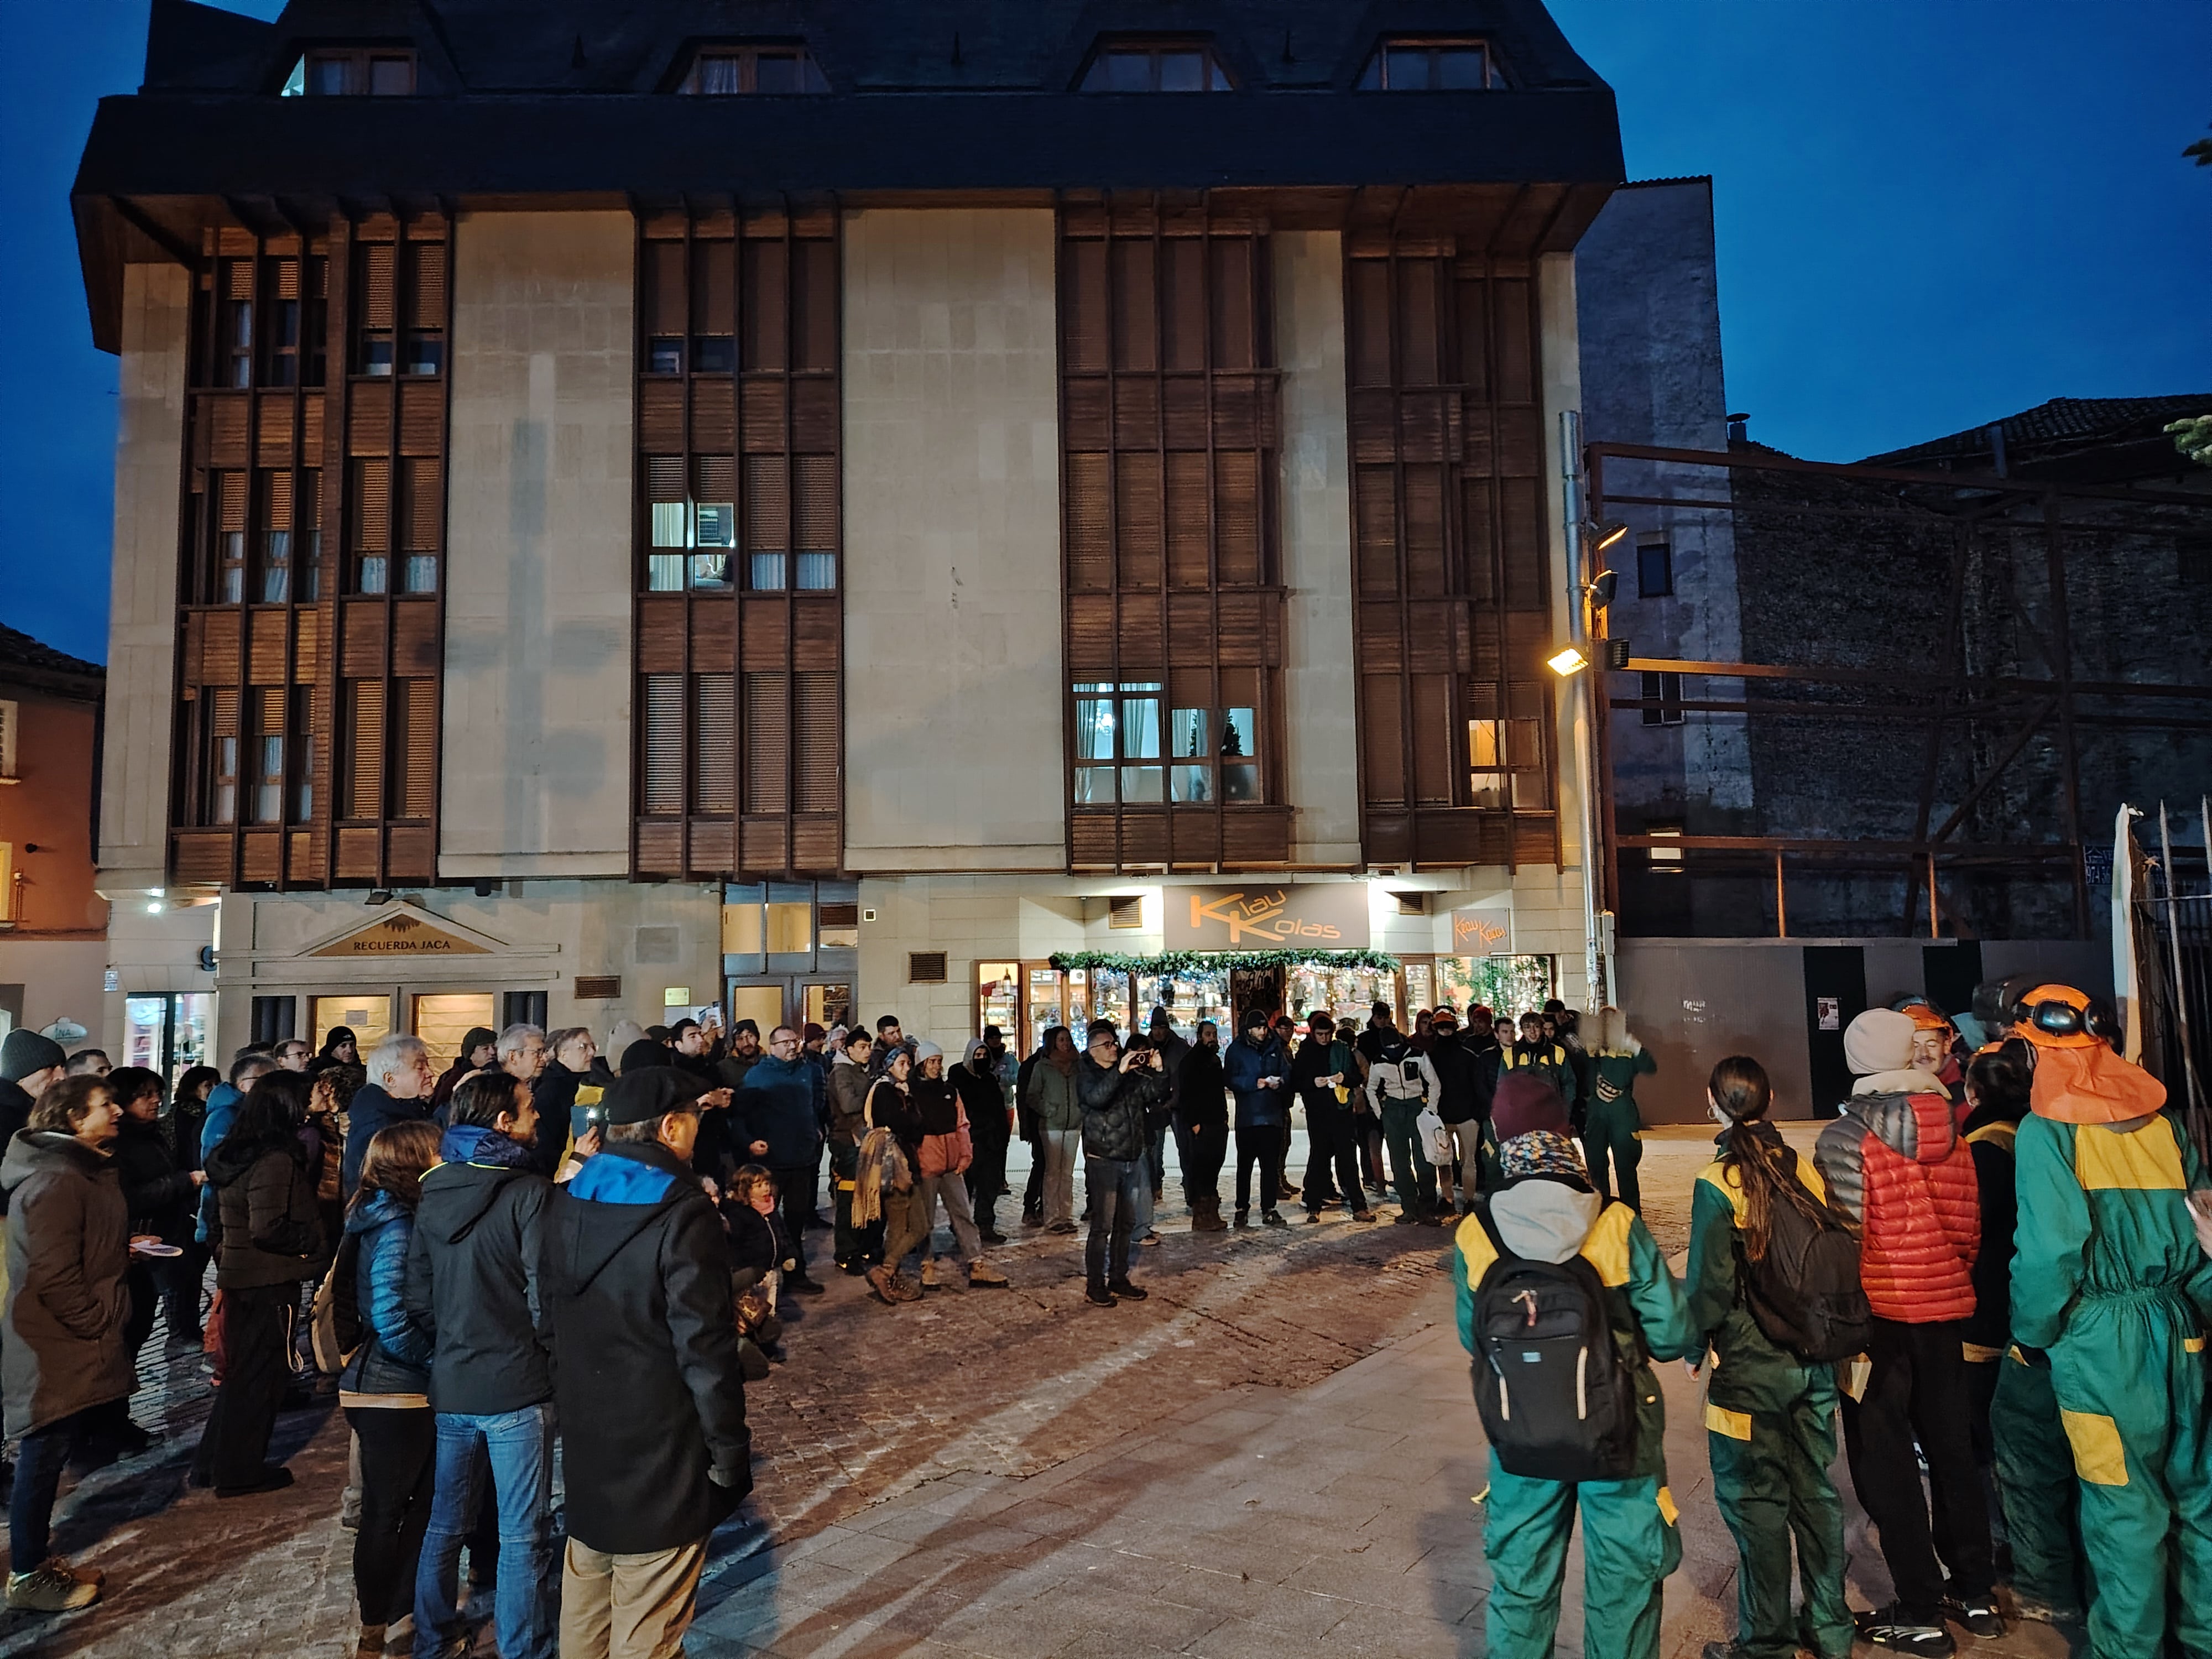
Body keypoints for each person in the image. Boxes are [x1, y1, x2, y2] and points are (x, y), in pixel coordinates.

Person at [1455, 1073, 1694, 1658]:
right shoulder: (1614, 1223)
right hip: (1619, 1436)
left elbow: (1473, 1340)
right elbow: (1671, 1335)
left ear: (1500, 1140)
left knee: (1521, 1585)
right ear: (1567, 1136)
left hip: (1521, 1436)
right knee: (1625, 1584)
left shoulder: (1475, 1234)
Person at [2007, 983, 2210, 1659]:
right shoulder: (2164, 1123)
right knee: (2196, 1502)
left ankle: (2128, 1651)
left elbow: (2050, 1251)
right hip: (2181, 1327)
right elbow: (2203, 1227)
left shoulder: (2046, 1131)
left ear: (2036, 1049)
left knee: (2123, 1509)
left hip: (2101, 1340)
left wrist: (2031, 1335)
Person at [544, 1067, 752, 1659]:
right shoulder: (682, 1212)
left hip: (588, 1435)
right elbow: (705, 1349)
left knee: (586, 1601)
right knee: (649, 1620)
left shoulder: (567, 1195)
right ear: (670, 1126)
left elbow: (545, 1318)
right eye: (694, 1121)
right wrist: (729, 1454)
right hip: (661, 1444)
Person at [1814, 1008, 1995, 1655]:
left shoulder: (1844, 1138)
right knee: (1951, 1448)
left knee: (1884, 1461)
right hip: (1944, 1311)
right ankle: (1975, 1591)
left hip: (1878, 1321)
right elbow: (1969, 1232)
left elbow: (1845, 1241)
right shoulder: (1954, 1130)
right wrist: (1943, 1278)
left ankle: (1918, 1604)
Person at [1683, 1057, 1854, 1659]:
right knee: (1815, 1493)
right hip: (1812, 1359)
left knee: (1756, 1502)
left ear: (1713, 1104)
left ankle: (1766, 1642)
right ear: (1772, 1097)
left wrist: (1692, 1346)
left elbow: (1708, 1286)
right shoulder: (1801, 1166)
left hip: (1750, 1372)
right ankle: (1832, 1629)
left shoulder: (1717, 1181)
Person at [405, 1071, 557, 1659]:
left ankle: (432, 1635)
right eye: (528, 1109)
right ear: (502, 1123)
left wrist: (449, 1349)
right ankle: (524, 1649)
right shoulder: (527, 1192)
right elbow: (546, 1295)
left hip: (454, 1381)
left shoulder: (434, 1187)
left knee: (446, 1522)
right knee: (524, 1535)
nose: (537, 1117)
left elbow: (416, 1295)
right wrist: (546, 1357)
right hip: (516, 1384)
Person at [1955, 1044, 2084, 1627]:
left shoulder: (1985, 1150)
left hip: (2003, 1318)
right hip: (2066, 1317)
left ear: (1973, 1095)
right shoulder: (2052, 1136)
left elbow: (1994, 1243)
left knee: (2003, 1445)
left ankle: (2022, 1561)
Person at [1, 1074, 130, 1611]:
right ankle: (28, 1574)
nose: (118, 1111)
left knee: (48, 1451)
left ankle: (37, 1562)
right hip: (54, 1343)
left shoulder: (78, 1172)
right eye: (106, 1105)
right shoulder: (57, 1180)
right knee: (42, 1452)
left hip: (67, 1339)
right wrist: (97, 1320)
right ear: (75, 1118)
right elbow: (54, 1277)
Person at [193, 1070, 325, 1496]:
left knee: (243, 1376)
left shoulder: (242, 1153)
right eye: (305, 1099)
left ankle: (213, 1463)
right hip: (266, 1277)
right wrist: (310, 1241)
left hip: (244, 1275)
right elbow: (267, 1226)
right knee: (260, 1378)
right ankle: (239, 1470)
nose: (311, 1106)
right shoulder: (274, 1158)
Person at [340, 1120, 442, 1659]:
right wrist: (439, 1366)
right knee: (397, 1510)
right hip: (396, 1390)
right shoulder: (397, 1225)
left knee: (403, 1508)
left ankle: (387, 1622)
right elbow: (393, 1318)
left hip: (382, 1387)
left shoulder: (376, 1214)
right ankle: (384, 1624)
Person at [107, 1067, 202, 1379]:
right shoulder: (118, 1142)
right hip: (136, 1244)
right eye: (144, 1094)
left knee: (143, 1322)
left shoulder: (154, 1134)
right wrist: (184, 1182)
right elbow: (130, 1196)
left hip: (162, 1239)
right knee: (129, 1329)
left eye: (157, 1092)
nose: (155, 1100)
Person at [1074, 1021, 1171, 1306]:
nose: (1115, 1047)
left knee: (1126, 1224)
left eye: (1115, 1043)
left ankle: (1118, 1277)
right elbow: (1097, 1099)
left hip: (1130, 1155)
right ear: (1093, 1051)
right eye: (1108, 1045)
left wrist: (1159, 1070)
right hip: (1103, 1159)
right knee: (1102, 1226)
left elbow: (1154, 1094)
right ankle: (1095, 1284)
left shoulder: (1128, 1075)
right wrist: (1119, 1072)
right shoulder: (1086, 1075)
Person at [733, 1027, 826, 1295]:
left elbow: (817, 1103)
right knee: (765, 1222)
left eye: (794, 1041)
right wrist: (750, 1141)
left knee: (796, 1221)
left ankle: (796, 1273)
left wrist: (815, 1127)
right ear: (772, 1047)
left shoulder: (809, 1071)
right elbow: (740, 1115)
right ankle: (759, 1277)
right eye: (785, 1043)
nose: (792, 1047)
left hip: (802, 1158)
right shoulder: (758, 1076)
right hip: (771, 1160)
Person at [907, 1042, 1008, 1290]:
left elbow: (962, 1125)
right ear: (922, 1064)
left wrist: (965, 1155)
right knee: (925, 1219)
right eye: (931, 1061)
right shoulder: (912, 1092)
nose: (936, 1066)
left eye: (939, 1061)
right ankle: (927, 1264)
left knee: (963, 1213)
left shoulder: (950, 1091)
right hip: (926, 1164)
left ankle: (976, 1263)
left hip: (951, 1164)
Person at [859, 1048, 931, 1305]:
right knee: (899, 1223)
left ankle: (886, 1270)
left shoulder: (903, 1090)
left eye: (909, 1063)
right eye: (901, 1063)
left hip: (908, 1164)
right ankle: (891, 1276)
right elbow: (903, 1123)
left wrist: (912, 1119)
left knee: (921, 1226)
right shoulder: (884, 1090)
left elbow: (918, 1126)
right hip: (892, 1167)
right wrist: (911, 1119)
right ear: (889, 1065)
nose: (907, 1067)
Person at [1291, 1013, 1370, 1223]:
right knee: (1319, 1159)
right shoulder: (1306, 1053)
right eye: (1320, 1034)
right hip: (1318, 1114)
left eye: (1327, 1034)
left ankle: (1359, 1206)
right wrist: (1312, 1083)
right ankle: (1314, 1206)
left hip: (1341, 1112)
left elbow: (1357, 1077)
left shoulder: (1341, 1050)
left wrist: (1345, 1078)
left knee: (1349, 1161)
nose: (1324, 1039)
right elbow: (1296, 1081)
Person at [1366, 1016, 1442, 1225]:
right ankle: (1409, 1207)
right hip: (1393, 1109)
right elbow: (1371, 1089)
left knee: (1425, 1159)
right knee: (1399, 1162)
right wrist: (1381, 1113)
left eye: (1396, 1045)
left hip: (1417, 1107)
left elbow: (1434, 1083)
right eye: (1389, 1046)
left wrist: (1430, 1109)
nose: (1393, 1048)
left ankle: (1427, 1208)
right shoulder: (1379, 1061)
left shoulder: (1418, 1055)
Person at [345, 1035, 435, 1199]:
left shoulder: (412, 1109)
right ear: (390, 1079)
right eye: (420, 1068)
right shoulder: (377, 1124)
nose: (431, 1073)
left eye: (428, 1066)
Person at [1584, 1008, 1657, 1211]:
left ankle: (1632, 1215)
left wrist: (1635, 1047)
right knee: (1596, 1165)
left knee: (1626, 1167)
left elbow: (1650, 1067)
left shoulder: (1627, 1047)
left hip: (1622, 1112)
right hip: (1595, 1112)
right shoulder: (1591, 1047)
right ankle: (1602, 1212)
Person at [1223, 1009, 1291, 1227]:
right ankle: (1242, 1208)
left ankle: (1269, 1208)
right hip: (1248, 1118)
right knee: (1245, 1166)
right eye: (1258, 1028)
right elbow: (1230, 1078)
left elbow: (1288, 1072)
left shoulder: (1275, 1046)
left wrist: (1279, 1082)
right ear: (1249, 1030)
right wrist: (1254, 1083)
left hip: (1272, 1116)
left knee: (1270, 1166)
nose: (1262, 1032)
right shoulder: (1237, 1050)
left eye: (1264, 1027)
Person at [825, 1030, 879, 1273]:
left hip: (865, 1140)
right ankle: (846, 1252)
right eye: (862, 1047)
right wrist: (876, 1095)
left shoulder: (863, 1070)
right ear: (849, 1049)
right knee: (849, 1199)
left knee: (868, 1196)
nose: (867, 1051)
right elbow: (848, 1105)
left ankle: (866, 1246)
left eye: (869, 1046)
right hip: (847, 1142)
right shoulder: (842, 1072)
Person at [954, 1038, 1013, 1245]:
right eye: (977, 1056)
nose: (981, 1059)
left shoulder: (989, 1080)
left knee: (988, 1186)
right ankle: (960, 1228)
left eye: (984, 1056)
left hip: (989, 1142)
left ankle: (985, 1225)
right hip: (968, 1141)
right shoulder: (959, 1078)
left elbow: (998, 1110)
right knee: (965, 1189)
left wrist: (1001, 1137)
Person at [1426, 1009, 1486, 1214]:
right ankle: (1461, 1200)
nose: (1445, 1030)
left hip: (1451, 1115)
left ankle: (1452, 1199)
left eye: (1447, 1026)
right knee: (1462, 1160)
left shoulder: (1431, 1057)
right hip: (1458, 1116)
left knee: (1452, 1160)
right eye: (1442, 1026)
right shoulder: (1466, 1055)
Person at [1173, 1021, 1230, 1230]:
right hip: (1202, 1125)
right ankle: (1202, 1215)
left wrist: (1224, 1118)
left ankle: (1211, 1214)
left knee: (1214, 1167)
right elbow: (1186, 1096)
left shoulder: (1214, 1060)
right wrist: (1195, 1124)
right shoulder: (1191, 1062)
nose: (1212, 1038)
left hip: (1217, 1123)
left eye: (1214, 1034)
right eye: (1208, 1034)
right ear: (1199, 1036)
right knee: (1202, 1170)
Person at [1030, 1027, 1084, 1234]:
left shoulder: (1077, 1065)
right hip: (1051, 1126)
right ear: (1053, 1042)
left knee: (1067, 1174)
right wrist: (1049, 1110)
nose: (1066, 1044)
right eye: (1061, 1040)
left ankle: (1066, 1215)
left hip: (1074, 1124)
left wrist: (1080, 1111)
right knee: (1053, 1172)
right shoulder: (1043, 1067)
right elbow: (1033, 1095)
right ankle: (1052, 1217)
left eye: (1067, 1039)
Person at [0, 1031, 68, 1183]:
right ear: (22, 1073)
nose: (61, 1076)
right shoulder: (5, 1116)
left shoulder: (39, 1112)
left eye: (62, 1067)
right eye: (51, 1067)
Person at [530, 1027, 597, 1179]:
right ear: (563, 1054)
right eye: (583, 1047)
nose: (592, 1052)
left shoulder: (589, 1083)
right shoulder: (551, 1090)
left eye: (593, 1047)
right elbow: (546, 1143)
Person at [429, 1028, 495, 1115]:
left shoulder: (498, 1073)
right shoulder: (453, 1079)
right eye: (485, 1049)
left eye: (494, 1047)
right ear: (471, 1054)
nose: (493, 1052)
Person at [310, 1027, 369, 1114]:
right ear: (332, 1049)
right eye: (343, 1046)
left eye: (352, 1045)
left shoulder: (364, 1071)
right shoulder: (316, 1071)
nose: (349, 1050)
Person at [714, 1021, 763, 1093]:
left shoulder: (769, 1063)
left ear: (757, 1038)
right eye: (740, 1038)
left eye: (750, 1036)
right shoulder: (724, 1067)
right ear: (735, 1043)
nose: (746, 1043)